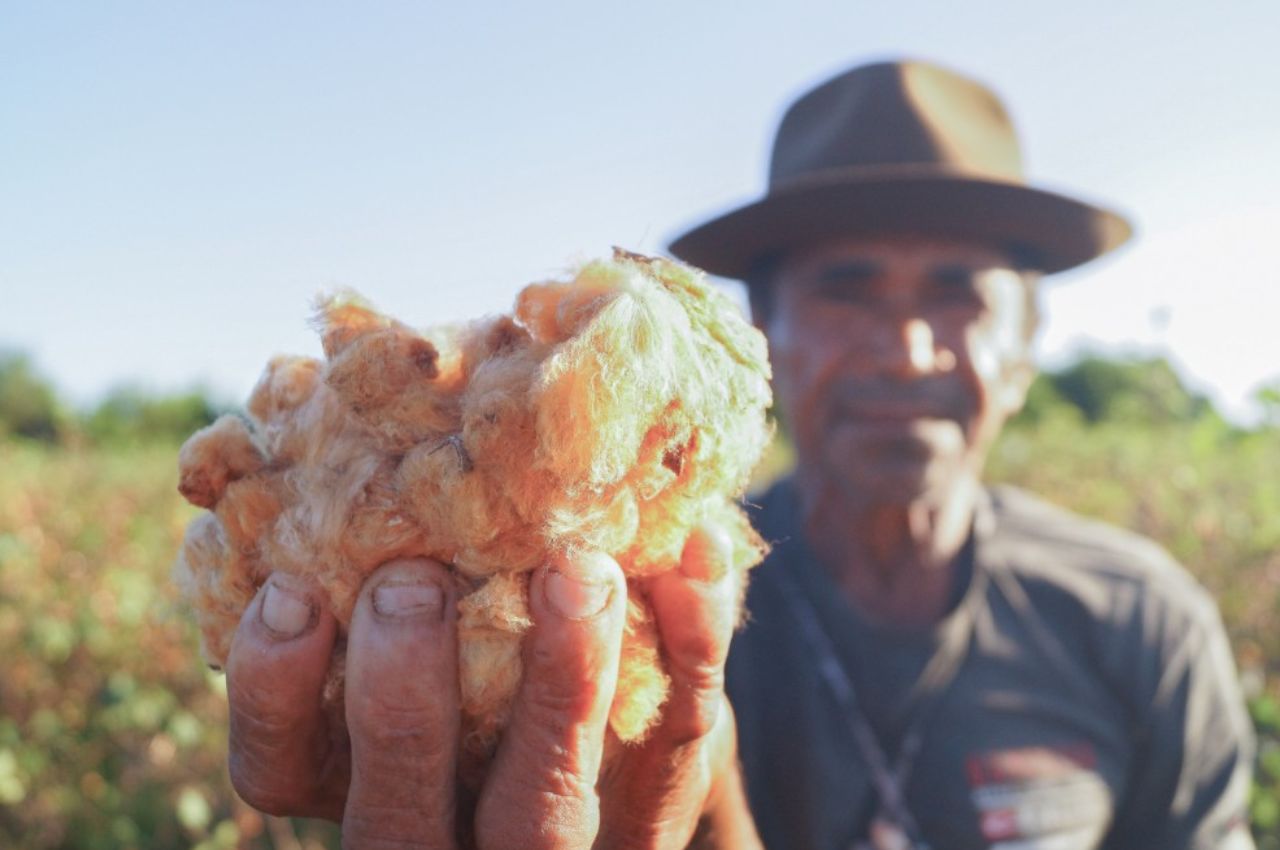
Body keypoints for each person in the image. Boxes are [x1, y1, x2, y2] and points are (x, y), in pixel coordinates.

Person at [666, 59, 1257, 849]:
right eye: (848, 289)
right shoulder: (667, 609)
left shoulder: (1138, 620)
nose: (907, 352)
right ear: (762, 335)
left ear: (1020, 353)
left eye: (958, 294)